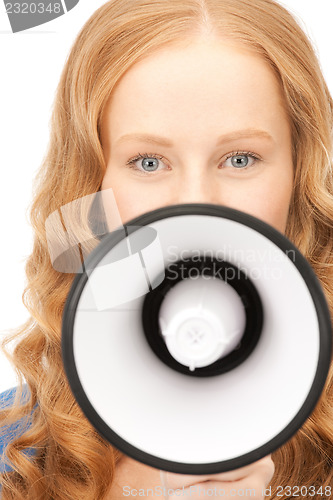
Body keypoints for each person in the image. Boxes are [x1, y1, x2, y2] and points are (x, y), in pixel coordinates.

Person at [1, 0, 332, 498]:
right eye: (149, 162)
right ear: (89, 190)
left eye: (240, 158)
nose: (196, 205)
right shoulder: (14, 450)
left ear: (300, 177)